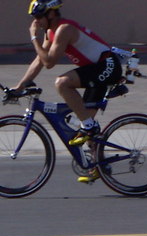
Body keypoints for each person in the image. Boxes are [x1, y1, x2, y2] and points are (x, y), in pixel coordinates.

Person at [12, 0, 123, 183]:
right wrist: (20, 86)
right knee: (83, 118)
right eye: (34, 18)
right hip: (96, 68)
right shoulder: (51, 31)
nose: (36, 21)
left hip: (107, 65)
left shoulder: (64, 29)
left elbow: (48, 62)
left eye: (39, 16)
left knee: (62, 83)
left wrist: (33, 38)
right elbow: (39, 61)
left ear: (51, 14)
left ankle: (88, 127)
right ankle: (99, 166)